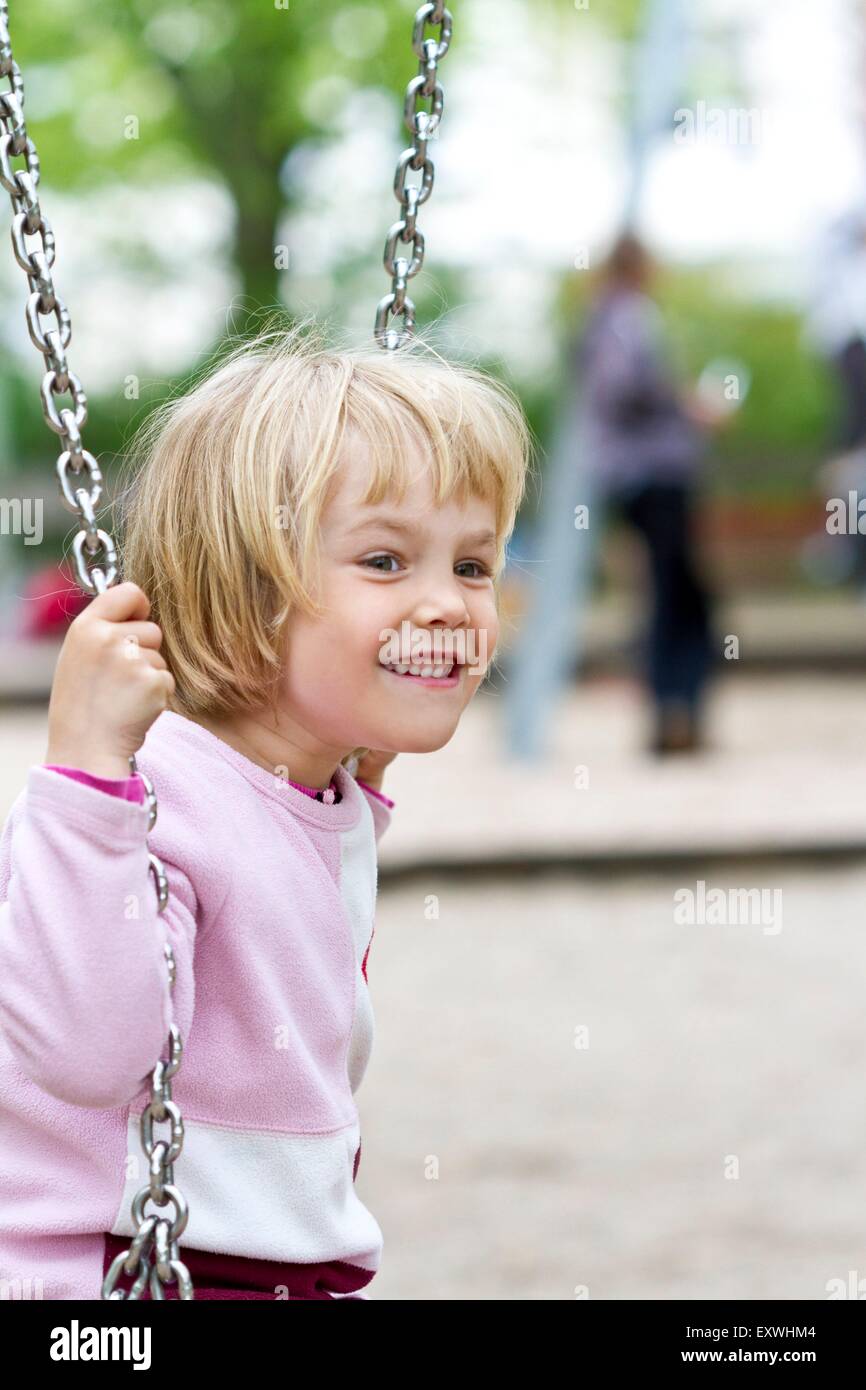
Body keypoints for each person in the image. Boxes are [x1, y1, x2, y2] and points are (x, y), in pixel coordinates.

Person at [0, 319, 532, 1300]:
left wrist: (360, 761)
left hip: (282, 1266)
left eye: (470, 564)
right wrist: (80, 774)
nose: (449, 603)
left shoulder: (309, 784)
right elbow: (87, 1054)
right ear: (245, 593)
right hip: (125, 1275)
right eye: (384, 562)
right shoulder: (137, 801)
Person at [575, 233, 727, 753]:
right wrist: (688, 406)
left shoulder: (601, 317)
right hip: (654, 473)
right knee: (677, 595)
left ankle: (677, 708)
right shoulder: (626, 316)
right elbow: (625, 391)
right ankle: (674, 708)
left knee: (674, 592)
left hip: (635, 474)